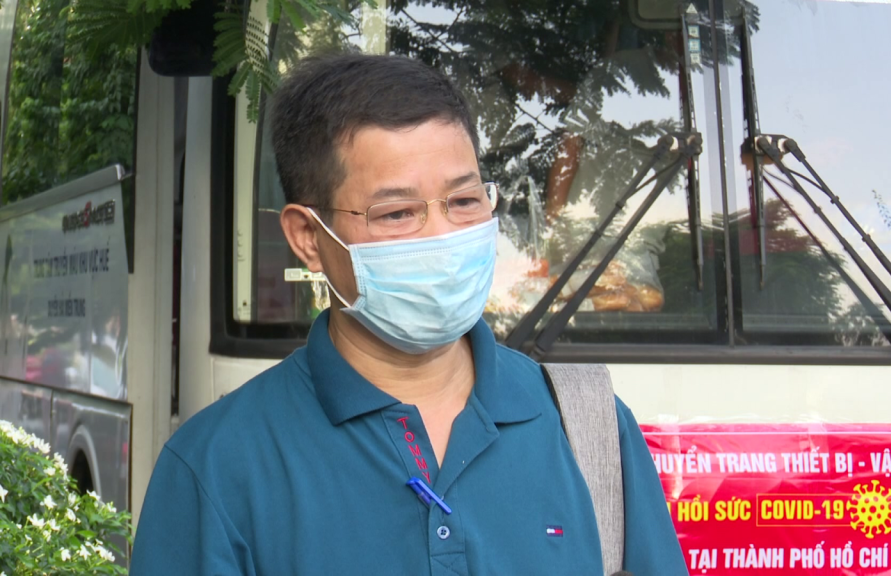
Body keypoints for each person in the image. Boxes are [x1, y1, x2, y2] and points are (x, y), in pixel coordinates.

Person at [130, 52, 687, 575]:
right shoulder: (217, 466)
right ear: (308, 237)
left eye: (465, 201)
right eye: (396, 213)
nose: (442, 236)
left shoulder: (589, 427)